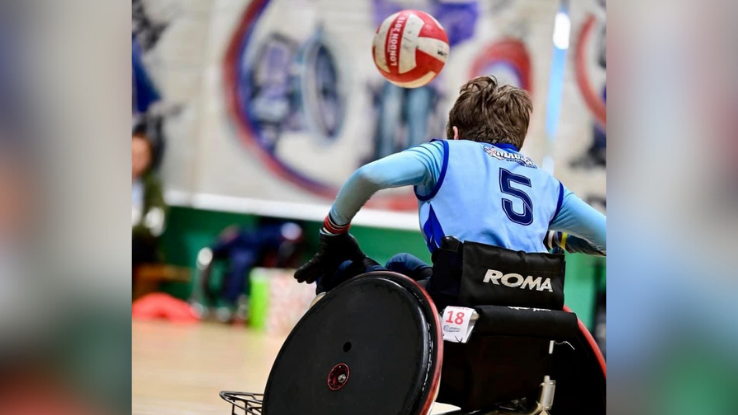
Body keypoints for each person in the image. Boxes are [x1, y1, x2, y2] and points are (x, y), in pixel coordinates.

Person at [294, 76, 606, 298]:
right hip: (532, 309)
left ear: (455, 132)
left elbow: (368, 177)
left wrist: (331, 234)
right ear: (518, 141)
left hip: (460, 299)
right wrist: (560, 238)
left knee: (343, 266)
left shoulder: (445, 153)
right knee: (404, 264)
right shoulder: (547, 185)